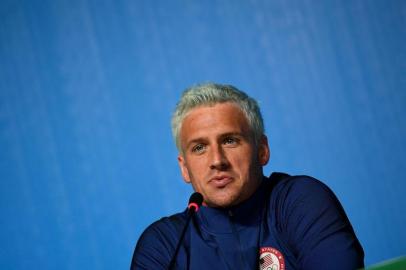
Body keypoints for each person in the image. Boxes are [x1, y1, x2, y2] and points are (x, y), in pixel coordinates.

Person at [131, 83, 364, 270]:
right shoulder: (164, 245)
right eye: (199, 147)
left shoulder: (299, 202)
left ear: (262, 150)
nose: (217, 160)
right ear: (184, 168)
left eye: (230, 141)